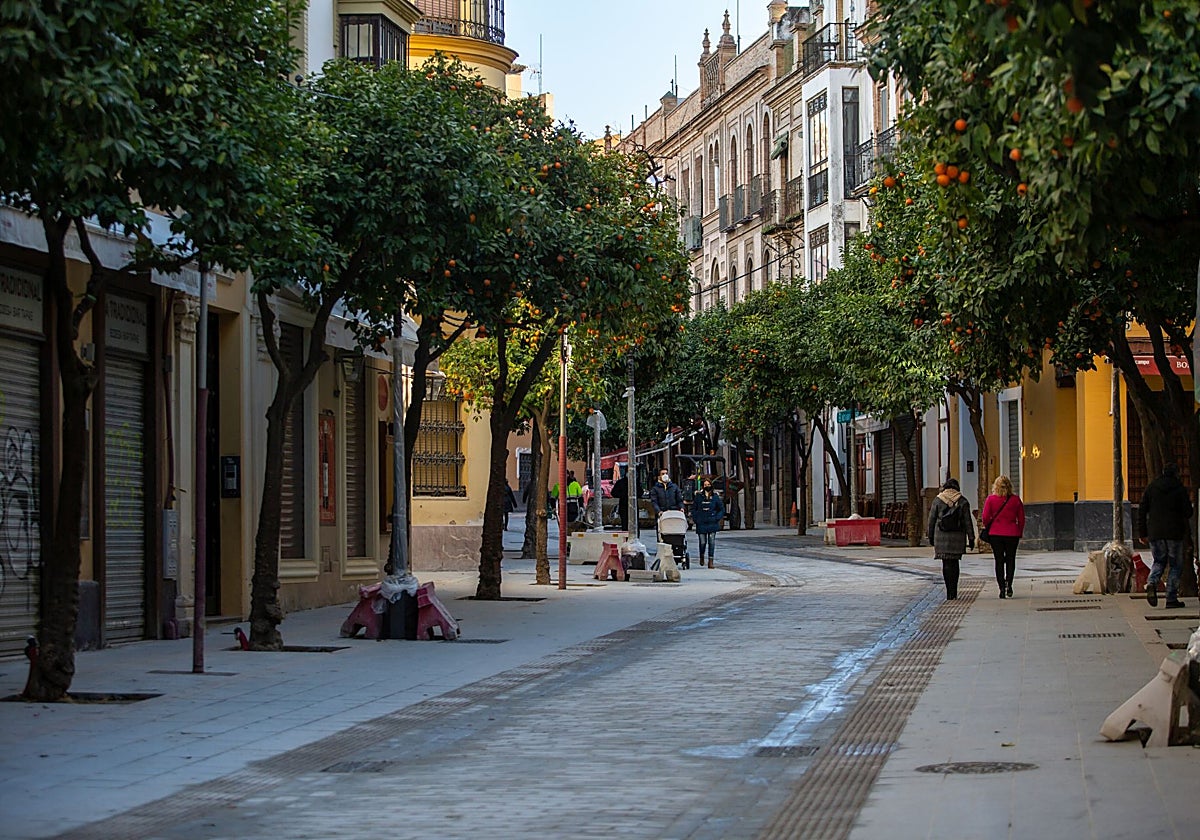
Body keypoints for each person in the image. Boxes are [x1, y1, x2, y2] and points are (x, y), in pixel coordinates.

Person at [1138, 463, 1194, 609]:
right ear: (1177, 473)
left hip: (1155, 532)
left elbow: (1142, 510)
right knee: (1175, 565)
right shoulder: (1179, 488)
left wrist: (1142, 532)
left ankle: (1151, 582)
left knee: (1159, 561)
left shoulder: (1152, 487)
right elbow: (1188, 512)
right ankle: (1171, 598)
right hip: (1174, 533)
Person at [927, 478, 975, 600]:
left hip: (941, 537)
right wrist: (971, 538)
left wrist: (931, 536)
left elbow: (931, 520)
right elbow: (967, 521)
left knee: (946, 563)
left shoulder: (937, 500)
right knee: (955, 563)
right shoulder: (963, 501)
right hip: (957, 537)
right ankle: (954, 591)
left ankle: (949, 592)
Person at [981, 475, 1026, 599]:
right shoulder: (1016, 500)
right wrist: (1019, 531)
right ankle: (1009, 585)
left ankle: (1001, 588)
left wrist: (990, 526)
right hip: (1012, 534)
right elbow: (1021, 519)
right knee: (1011, 560)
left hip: (995, 534)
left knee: (999, 560)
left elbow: (985, 517)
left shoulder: (990, 500)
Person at [691, 479, 726, 568]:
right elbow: (693, 509)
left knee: (712, 542)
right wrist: (696, 519)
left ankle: (711, 561)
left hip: (712, 522)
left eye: (708, 484)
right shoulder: (698, 496)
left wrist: (717, 518)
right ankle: (702, 556)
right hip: (701, 522)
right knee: (702, 542)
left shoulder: (715, 497)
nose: (707, 486)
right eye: (705, 484)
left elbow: (721, 509)